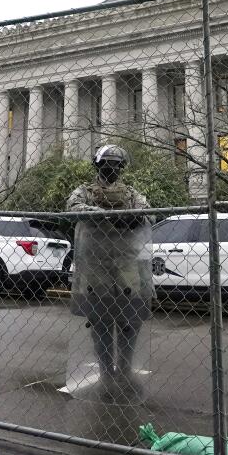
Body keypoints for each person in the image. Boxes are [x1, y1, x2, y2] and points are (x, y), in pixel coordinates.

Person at [67, 144, 153, 395]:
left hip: (126, 260)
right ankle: (107, 372)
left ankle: (125, 370)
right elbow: (72, 207)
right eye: (107, 164)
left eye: (116, 164)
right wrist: (104, 214)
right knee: (100, 320)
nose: (112, 169)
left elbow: (149, 213)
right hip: (95, 262)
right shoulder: (85, 191)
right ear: (97, 165)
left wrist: (134, 216)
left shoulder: (131, 193)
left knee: (130, 319)